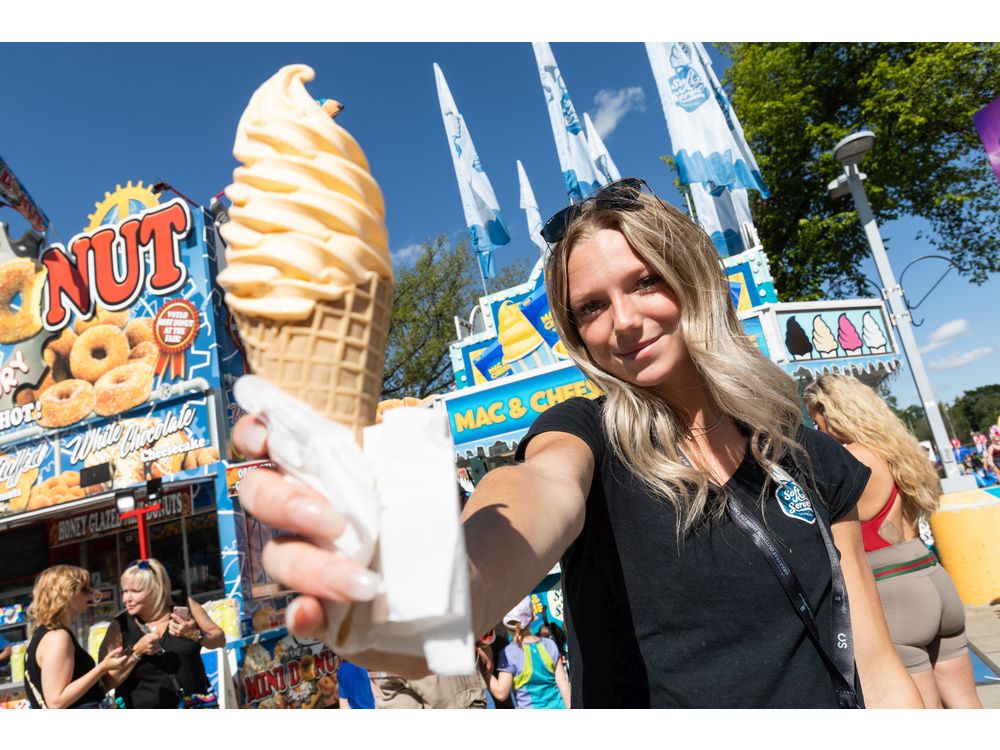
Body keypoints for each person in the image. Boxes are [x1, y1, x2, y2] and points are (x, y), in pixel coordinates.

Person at [231, 177, 922, 708]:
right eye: (592, 307)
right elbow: (534, 497)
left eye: (645, 281)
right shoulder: (582, 434)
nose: (623, 321)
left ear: (693, 278)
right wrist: (423, 593)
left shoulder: (796, 448)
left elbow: (874, 656)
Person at [803, 374, 983, 709]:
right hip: (934, 577)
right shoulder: (899, 452)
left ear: (834, 414)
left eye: (817, 421)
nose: (817, 431)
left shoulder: (850, 461)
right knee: (967, 706)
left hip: (893, 592)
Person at [98, 558, 225, 708]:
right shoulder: (120, 626)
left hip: (195, 705)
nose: (127, 599)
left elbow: (220, 640)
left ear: (156, 589)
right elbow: (105, 682)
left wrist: (194, 634)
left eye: (135, 591)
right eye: (125, 591)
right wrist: (137, 652)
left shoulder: (186, 607)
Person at [23, 565, 130, 708]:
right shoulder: (58, 637)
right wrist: (102, 668)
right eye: (85, 589)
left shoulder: (44, 634)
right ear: (67, 593)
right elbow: (56, 701)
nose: (90, 593)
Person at [488, 597, 569, 709]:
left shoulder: (509, 653)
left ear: (506, 624)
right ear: (533, 617)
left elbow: (501, 693)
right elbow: (562, 682)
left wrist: (484, 671)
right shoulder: (550, 644)